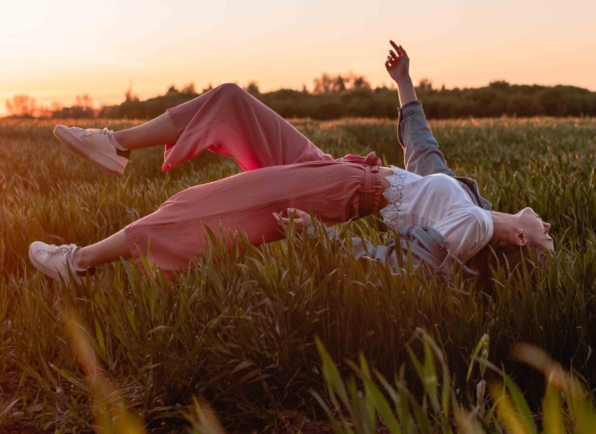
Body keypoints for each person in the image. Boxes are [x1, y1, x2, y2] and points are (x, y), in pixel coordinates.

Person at [28, 43, 554, 284]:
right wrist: (404, 83)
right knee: (233, 99)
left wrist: (318, 237)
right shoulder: (473, 202)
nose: (549, 226)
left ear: (523, 241)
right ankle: (113, 143)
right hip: (337, 169)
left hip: (336, 193)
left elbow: (394, 266)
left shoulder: (470, 231)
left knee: (199, 208)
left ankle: (77, 263)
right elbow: (424, 151)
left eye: (547, 236)